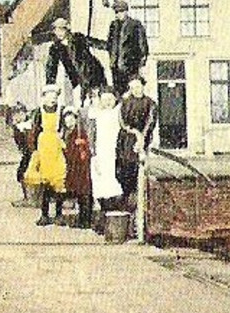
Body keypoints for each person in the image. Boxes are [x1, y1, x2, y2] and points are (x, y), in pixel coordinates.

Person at [22, 85, 71, 226]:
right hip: (44, 148)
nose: (52, 100)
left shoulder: (61, 111)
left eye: (55, 97)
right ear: (44, 98)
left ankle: (59, 214)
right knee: (45, 183)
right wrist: (33, 150)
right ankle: (44, 214)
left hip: (57, 147)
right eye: (49, 97)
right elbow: (34, 131)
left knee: (59, 181)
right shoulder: (39, 112)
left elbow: (66, 127)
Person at [45, 17, 106, 109]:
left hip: (93, 74)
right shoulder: (55, 48)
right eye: (56, 30)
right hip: (77, 79)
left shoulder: (78, 38)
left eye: (61, 29)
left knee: (99, 100)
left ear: (67, 30)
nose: (59, 33)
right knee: (81, 104)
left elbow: (94, 42)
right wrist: (50, 84)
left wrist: (108, 46)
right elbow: (51, 67)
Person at [117, 75, 157, 213]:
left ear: (143, 86)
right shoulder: (126, 102)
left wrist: (142, 138)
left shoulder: (150, 103)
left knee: (138, 169)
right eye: (132, 87)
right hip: (126, 139)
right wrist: (133, 132)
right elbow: (122, 122)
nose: (135, 90)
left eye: (138, 86)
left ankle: (138, 205)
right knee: (124, 169)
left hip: (142, 140)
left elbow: (150, 123)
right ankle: (126, 202)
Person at [87, 87, 125, 224]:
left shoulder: (118, 113)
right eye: (105, 100)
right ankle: (103, 218)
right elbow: (91, 136)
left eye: (110, 99)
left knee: (114, 182)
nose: (108, 102)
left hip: (114, 151)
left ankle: (115, 217)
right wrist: (94, 153)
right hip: (100, 152)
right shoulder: (96, 115)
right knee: (100, 183)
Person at [99, 0, 151, 94]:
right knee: (118, 92)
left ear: (126, 11)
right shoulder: (113, 26)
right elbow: (109, 44)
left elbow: (143, 45)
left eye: (121, 11)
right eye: (117, 12)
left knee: (131, 91)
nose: (119, 14)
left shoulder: (135, 25)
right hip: (115, 66)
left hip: (130, 65)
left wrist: (142, 64)